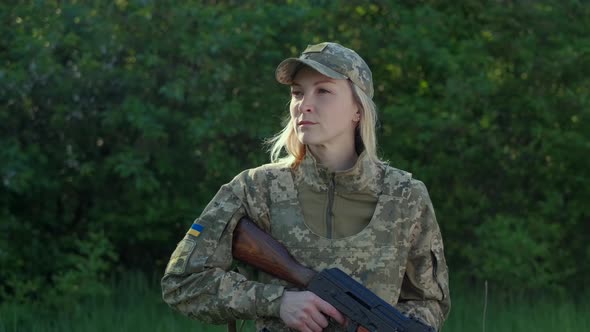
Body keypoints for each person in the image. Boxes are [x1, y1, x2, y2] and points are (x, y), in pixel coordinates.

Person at [161, 42, 450, 332]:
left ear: (358, 110)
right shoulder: (255, 189)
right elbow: (182, 282)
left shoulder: (405, 196)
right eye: (298, 92)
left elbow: (430, 301)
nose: (304, 104)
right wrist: (278, 301)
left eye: (323, 91)